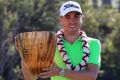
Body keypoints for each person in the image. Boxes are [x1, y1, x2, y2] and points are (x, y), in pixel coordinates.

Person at [21, 1, 101, 80]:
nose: (72, 20)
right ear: (60, 19)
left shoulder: (93, 43)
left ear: (81, 18)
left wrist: (60, 72)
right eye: (67, 16)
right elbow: (30, 78)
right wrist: (27, 57)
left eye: (76, 16)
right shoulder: (49, 43)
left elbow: (91, 76)